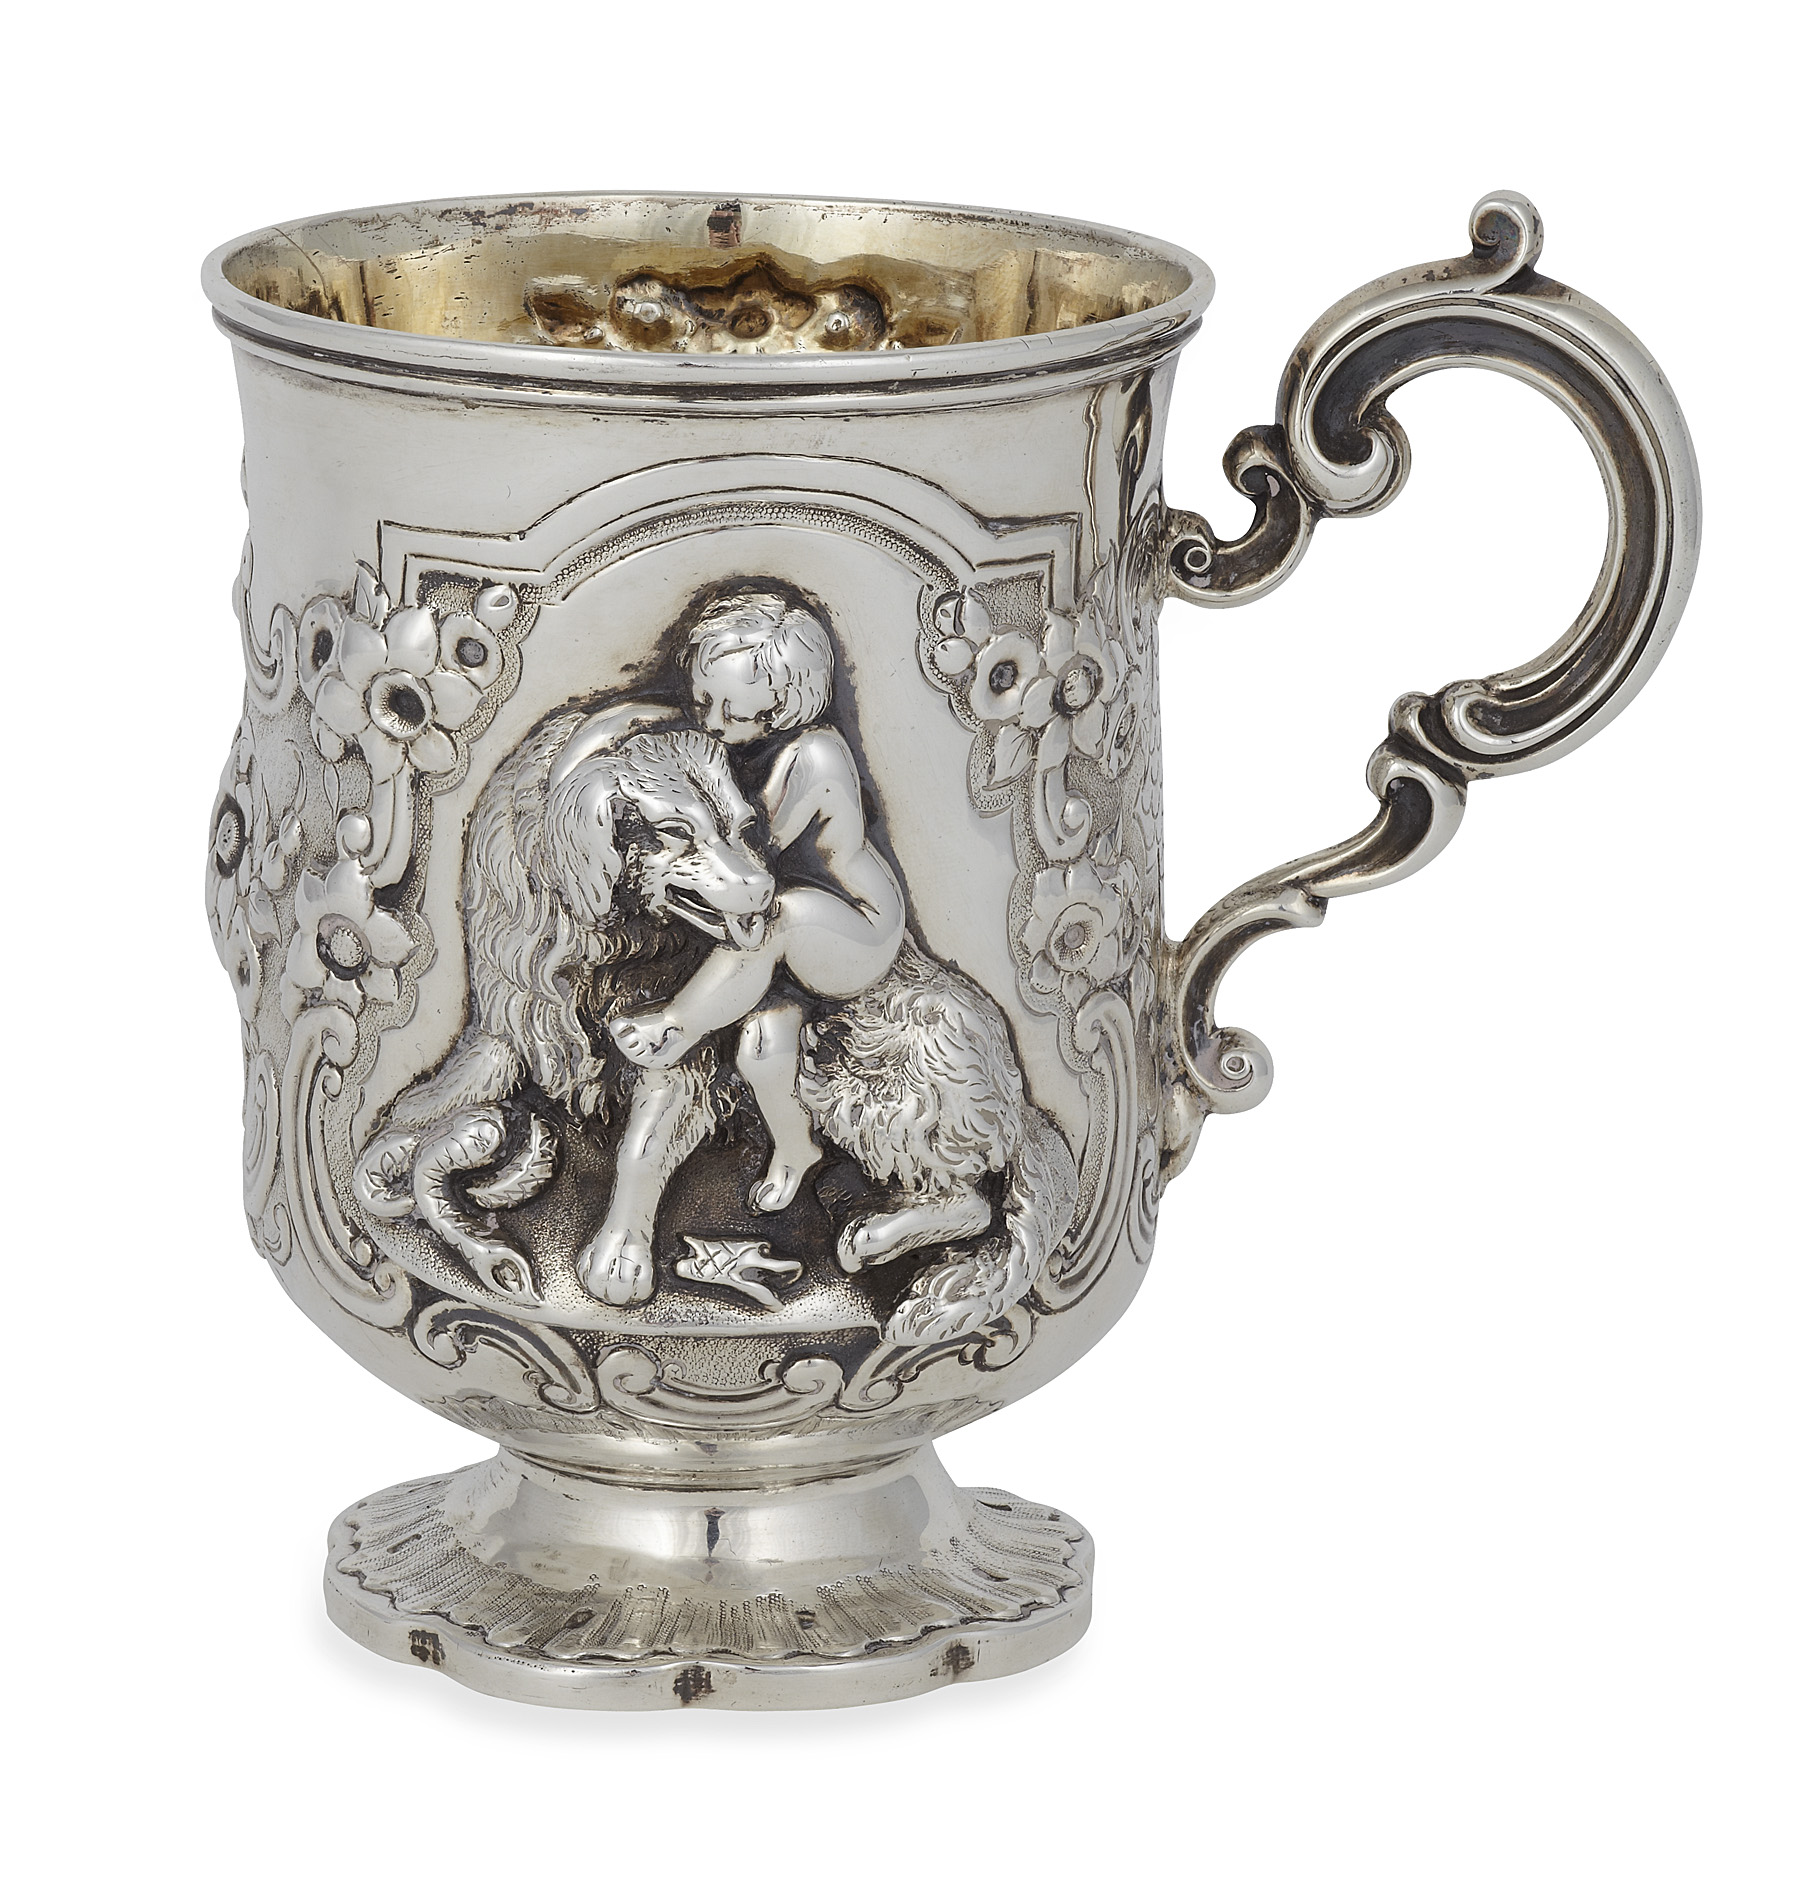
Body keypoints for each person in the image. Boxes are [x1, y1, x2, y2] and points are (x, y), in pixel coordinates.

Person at [608, 584, 906, 1213]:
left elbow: (752, 850)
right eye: (703, 700)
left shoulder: (813, 756)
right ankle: (796, 1147)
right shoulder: (744, 744)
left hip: (857, 925)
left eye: (736, 713)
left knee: (777, 920)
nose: (712, 723)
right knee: (762, 1051)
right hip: (801, 933)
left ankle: (675, 1025)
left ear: (783, 709)